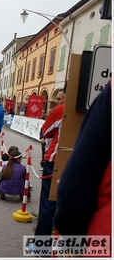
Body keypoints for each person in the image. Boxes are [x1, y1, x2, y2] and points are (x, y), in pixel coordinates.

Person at [53, 80, 111, 257]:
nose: (56, 101)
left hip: (103, 240)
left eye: (59, 98)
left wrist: (74, 242)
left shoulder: (110, 97)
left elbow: (75, 186)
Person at [33, 89, 66, 238]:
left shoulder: (61, 110)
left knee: (49, 200)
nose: (57, 102)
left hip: (55, 160)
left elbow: (45, 131)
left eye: (60, 98)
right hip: (79, 162)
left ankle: (41, 244)